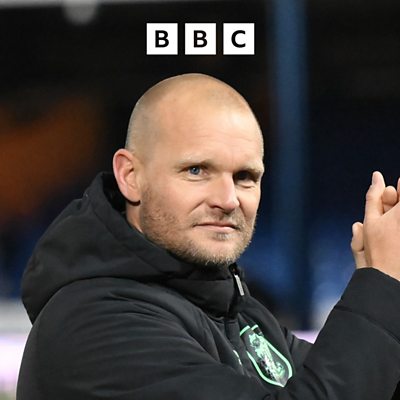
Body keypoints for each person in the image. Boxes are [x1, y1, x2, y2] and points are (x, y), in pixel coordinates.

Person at [17, 73, 400, 399]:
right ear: (130, 176)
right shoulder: (95, 324)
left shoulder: (232, 309)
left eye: (245, 177)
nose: (228, 199)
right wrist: (381, 282)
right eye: (197, 170)